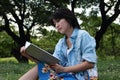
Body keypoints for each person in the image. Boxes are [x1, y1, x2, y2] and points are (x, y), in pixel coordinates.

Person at [19, 8, 97, 80]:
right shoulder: (61, 43)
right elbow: (51, 65)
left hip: (81, 77)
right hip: (65, 75)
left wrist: (64, 69)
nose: (56, 25)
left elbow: (90, 64)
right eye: (54, 23)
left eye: (58, 21)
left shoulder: (83, 35)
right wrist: (28, 56)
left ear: (68, 18)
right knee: (39, 67)